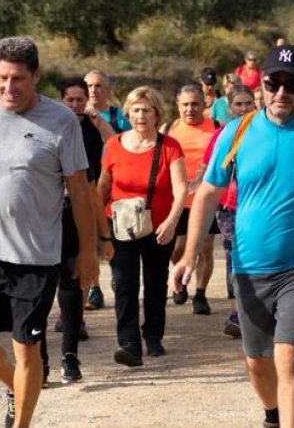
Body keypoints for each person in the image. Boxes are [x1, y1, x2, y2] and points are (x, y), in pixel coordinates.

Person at [173, 44, 294, 428]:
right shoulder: (237, 133)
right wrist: (189, 254)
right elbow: (209, 193)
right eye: (272, 82)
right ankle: (272, 413)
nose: (281, 92)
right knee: (258, 362)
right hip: (250, 266)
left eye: (290, 84)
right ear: (260, 83)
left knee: (291, 356)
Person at [0, 37, 98, 428]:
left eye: (18, 79)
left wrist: (88, 251)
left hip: (35, 258)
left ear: (36, 77)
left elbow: (79, 191)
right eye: (2, 77)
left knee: (27, 348)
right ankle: (17, 387)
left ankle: (21, 422)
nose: (8, 87)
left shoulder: (61, 121)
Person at [98, 86, 187, 366]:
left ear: (157, 114)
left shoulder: (169, 146)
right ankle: (129, 343)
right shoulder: (113, 146)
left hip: (159, 226)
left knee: (155, 282)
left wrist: (172, 222)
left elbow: (181, 190)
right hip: (120, 226)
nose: (140, 115)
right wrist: (98, 227)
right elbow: (103, 186)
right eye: (135, 110)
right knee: (123, 283)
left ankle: (153, 336)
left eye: (146, 110)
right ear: (127, 113)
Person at [36, 78, 117, 385]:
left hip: (71, 218)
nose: (73, 105)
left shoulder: (90, 135)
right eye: (67, 100)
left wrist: (102, 235)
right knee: (40, 293)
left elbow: (91, 191)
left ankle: (69, 356)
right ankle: (40, 360)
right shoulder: (43, 132)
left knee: (70, 291)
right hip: (42, 221)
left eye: (79, 99)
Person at [201, 84, 257, 337]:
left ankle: (259, 308)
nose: (244, 108)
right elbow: (209, 170)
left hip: (259, 205)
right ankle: (236, 312)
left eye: (248, 103)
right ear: (229, 107)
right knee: (235, 256)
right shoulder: (222, 135)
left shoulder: (264, 132)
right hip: (229, 207)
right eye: (239, 104)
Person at [165, 85, 222, 314]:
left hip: (207, 197)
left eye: (195, 104)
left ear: (204, 104)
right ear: (178, 106)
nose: (190, 109)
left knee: (206, 248)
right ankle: (181, 277)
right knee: (177, 248)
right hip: (177, 199)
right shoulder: (169, 128)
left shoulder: (217, 128)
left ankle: (201, 294)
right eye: (185, 104)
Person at [82, 69, 129, 310]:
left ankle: (116, 278)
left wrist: (100, 123)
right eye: (89, 85)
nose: (93, 90)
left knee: (110, 236)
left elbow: (125, 146)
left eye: (98, 85)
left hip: (113, 186)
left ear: (107, 90)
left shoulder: (117, 116)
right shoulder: (73, 115)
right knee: (87, 235)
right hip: (85, 183)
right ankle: (94, 289)